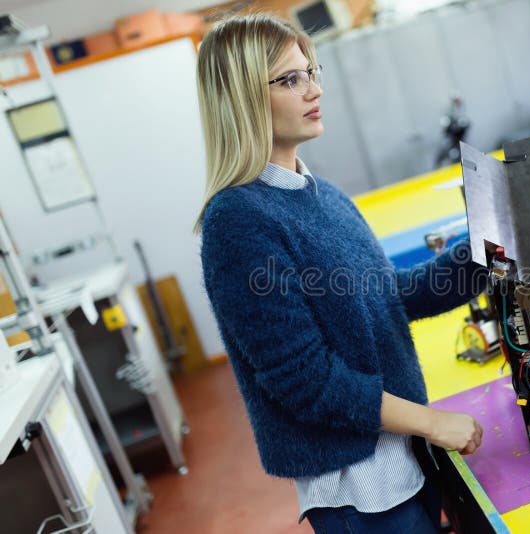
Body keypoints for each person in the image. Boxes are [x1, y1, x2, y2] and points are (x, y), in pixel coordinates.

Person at [195, 14, 486, 533]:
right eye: (290, 79)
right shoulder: (237, 222)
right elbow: (307, 381)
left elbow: (386, 296)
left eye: (311, 72)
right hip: (360, 491)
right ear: (240, 96)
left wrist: (485, 251)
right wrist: (433, 422)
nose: (314, 89)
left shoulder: (322, 195)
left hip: (407, 461)